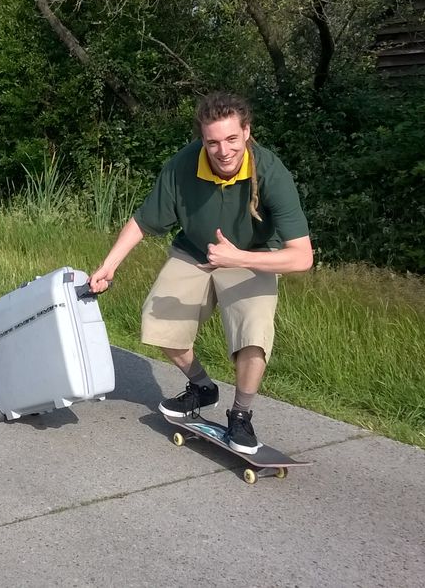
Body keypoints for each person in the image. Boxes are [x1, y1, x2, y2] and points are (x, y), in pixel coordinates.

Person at [88, 91, 313, 454]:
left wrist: (237, 257)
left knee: (253, 334)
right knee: (157, 320)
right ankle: (202, 386)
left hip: (251, 255)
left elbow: (302, 257)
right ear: (202, 140)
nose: (223, 151)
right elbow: (143, 221)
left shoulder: (271, 172)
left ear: (247, 132)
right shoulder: (183, 166)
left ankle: (241, 415)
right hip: (194, 251)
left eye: (232, 139)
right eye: (213, 142)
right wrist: (108, 266)